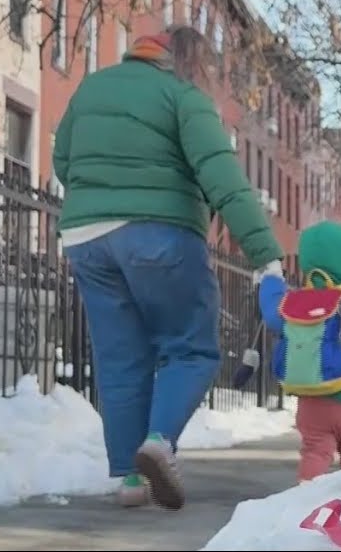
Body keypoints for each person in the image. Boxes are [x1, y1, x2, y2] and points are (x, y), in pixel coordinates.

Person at [52, 27, 283, 510]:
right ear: (189, 61)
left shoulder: (92, 87)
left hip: (87, 239)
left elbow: (63, 160)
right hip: (160, 234)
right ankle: (159, 442)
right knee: (191, 350)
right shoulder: (183, 96)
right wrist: (265, 255)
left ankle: (129, 480)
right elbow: (223, 177)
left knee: (120, 360)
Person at [258, 220, 341, 482]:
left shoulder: (293, 302)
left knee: (314, 451)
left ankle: (306, 498)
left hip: (310, 399)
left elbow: (271, 313)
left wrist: (272, 278)